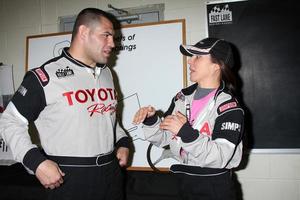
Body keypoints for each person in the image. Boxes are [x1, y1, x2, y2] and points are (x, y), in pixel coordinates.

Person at [0, 8, 130, 200]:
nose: (112, 43)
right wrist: (36, 162)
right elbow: (9, 121)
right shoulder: (44, 76)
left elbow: (107, 115)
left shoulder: (107, 74)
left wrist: (122, 142)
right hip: (70, 178)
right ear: (84, 33)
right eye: (107, 35)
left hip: (110, 176)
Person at [133, 37, 244, 200]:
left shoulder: (229, 107)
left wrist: (186, 132)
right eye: (191, 56)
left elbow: (219, 158)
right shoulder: (181, 98)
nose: (189, 61)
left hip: (214, 186)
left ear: (216, 65)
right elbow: (165, 140)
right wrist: (151, 121)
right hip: (183, 182)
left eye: (197, 57)